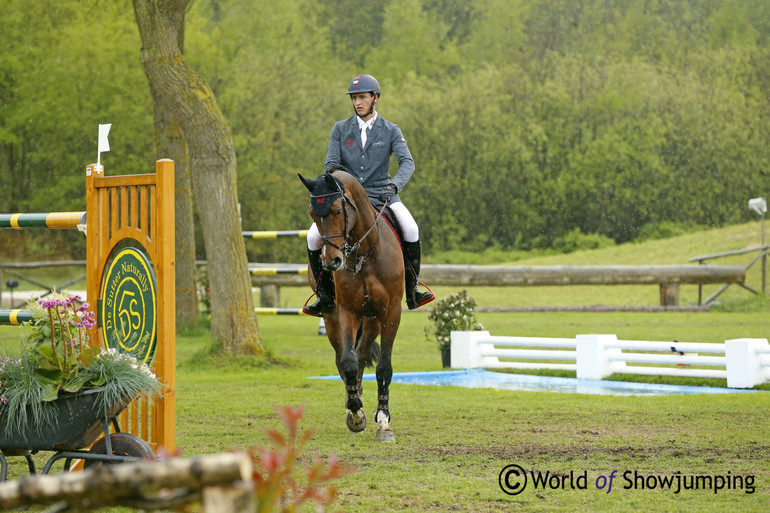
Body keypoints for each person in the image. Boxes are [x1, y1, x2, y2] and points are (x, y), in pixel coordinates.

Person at [304, 73, 435, 316]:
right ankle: (324, 295)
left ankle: (412, 289)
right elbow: (331, 166)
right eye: (354, 98)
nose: (357, 103)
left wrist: (394, 186)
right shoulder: (341, 129)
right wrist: (346, 188)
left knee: (411, 229)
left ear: (375, 98)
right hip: (348, 201)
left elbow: (407, 162)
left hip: (383, 196)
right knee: (313, 238)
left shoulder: (391, 130)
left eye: (362, 97)